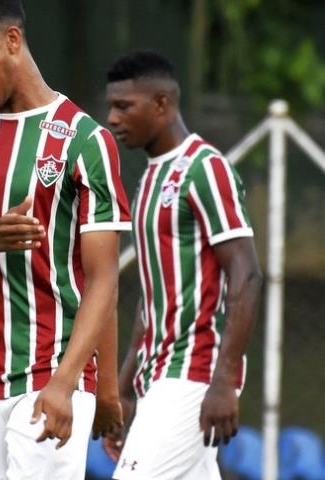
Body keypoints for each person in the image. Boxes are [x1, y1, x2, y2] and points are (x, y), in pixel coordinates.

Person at [0, 1, 131, 478]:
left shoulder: (84, 140)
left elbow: (103, 281)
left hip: (49, 374)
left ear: (12, 41)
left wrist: (74, 383)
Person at [102, 50, 263, 479]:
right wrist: (124, 387)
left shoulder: (205, 169)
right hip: (157, 375)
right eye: (111, 107)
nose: (113, 119)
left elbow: (245, 274)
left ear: (161, 103)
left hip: (194, 373)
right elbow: (154, 297)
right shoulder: (150, 178)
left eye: (124, 106)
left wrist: (225, 380)